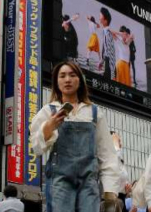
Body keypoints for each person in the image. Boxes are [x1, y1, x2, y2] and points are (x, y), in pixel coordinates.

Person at [30, 61, 121, 212]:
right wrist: (50, 126)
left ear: (80, 80)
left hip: (89, 181)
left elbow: (107, 153)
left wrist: (110, 190)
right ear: (56, 82)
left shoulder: (94, 112)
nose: (67, 80)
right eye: (62, 76)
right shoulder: (48, 111)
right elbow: (37, 148)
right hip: (60, 181)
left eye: (72, 75)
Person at [111, 131, 132, 212]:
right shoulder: (111, 156)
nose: (120, 144)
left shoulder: (120, 160)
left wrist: (125, 192)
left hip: (120, 201)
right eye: (118, 141)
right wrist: (115, 145)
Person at [99, 8, 117, 80]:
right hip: (107, 60)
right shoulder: (105, 31)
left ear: (105, 20)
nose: (99, 18)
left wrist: (112, 71)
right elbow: (105, 47)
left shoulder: (108, 32)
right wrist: (102, 61)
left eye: (100, 16)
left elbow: (110, 51)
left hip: (109, 62)